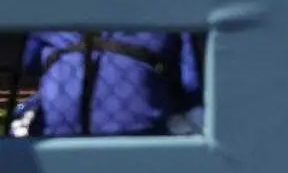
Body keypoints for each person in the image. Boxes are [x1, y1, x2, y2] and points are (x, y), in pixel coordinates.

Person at [10, 32, 203, 137]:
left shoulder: (51, 9)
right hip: (140, 133)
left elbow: (30, 63)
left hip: (54, 131)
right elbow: (191, 84)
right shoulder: (166, 8)